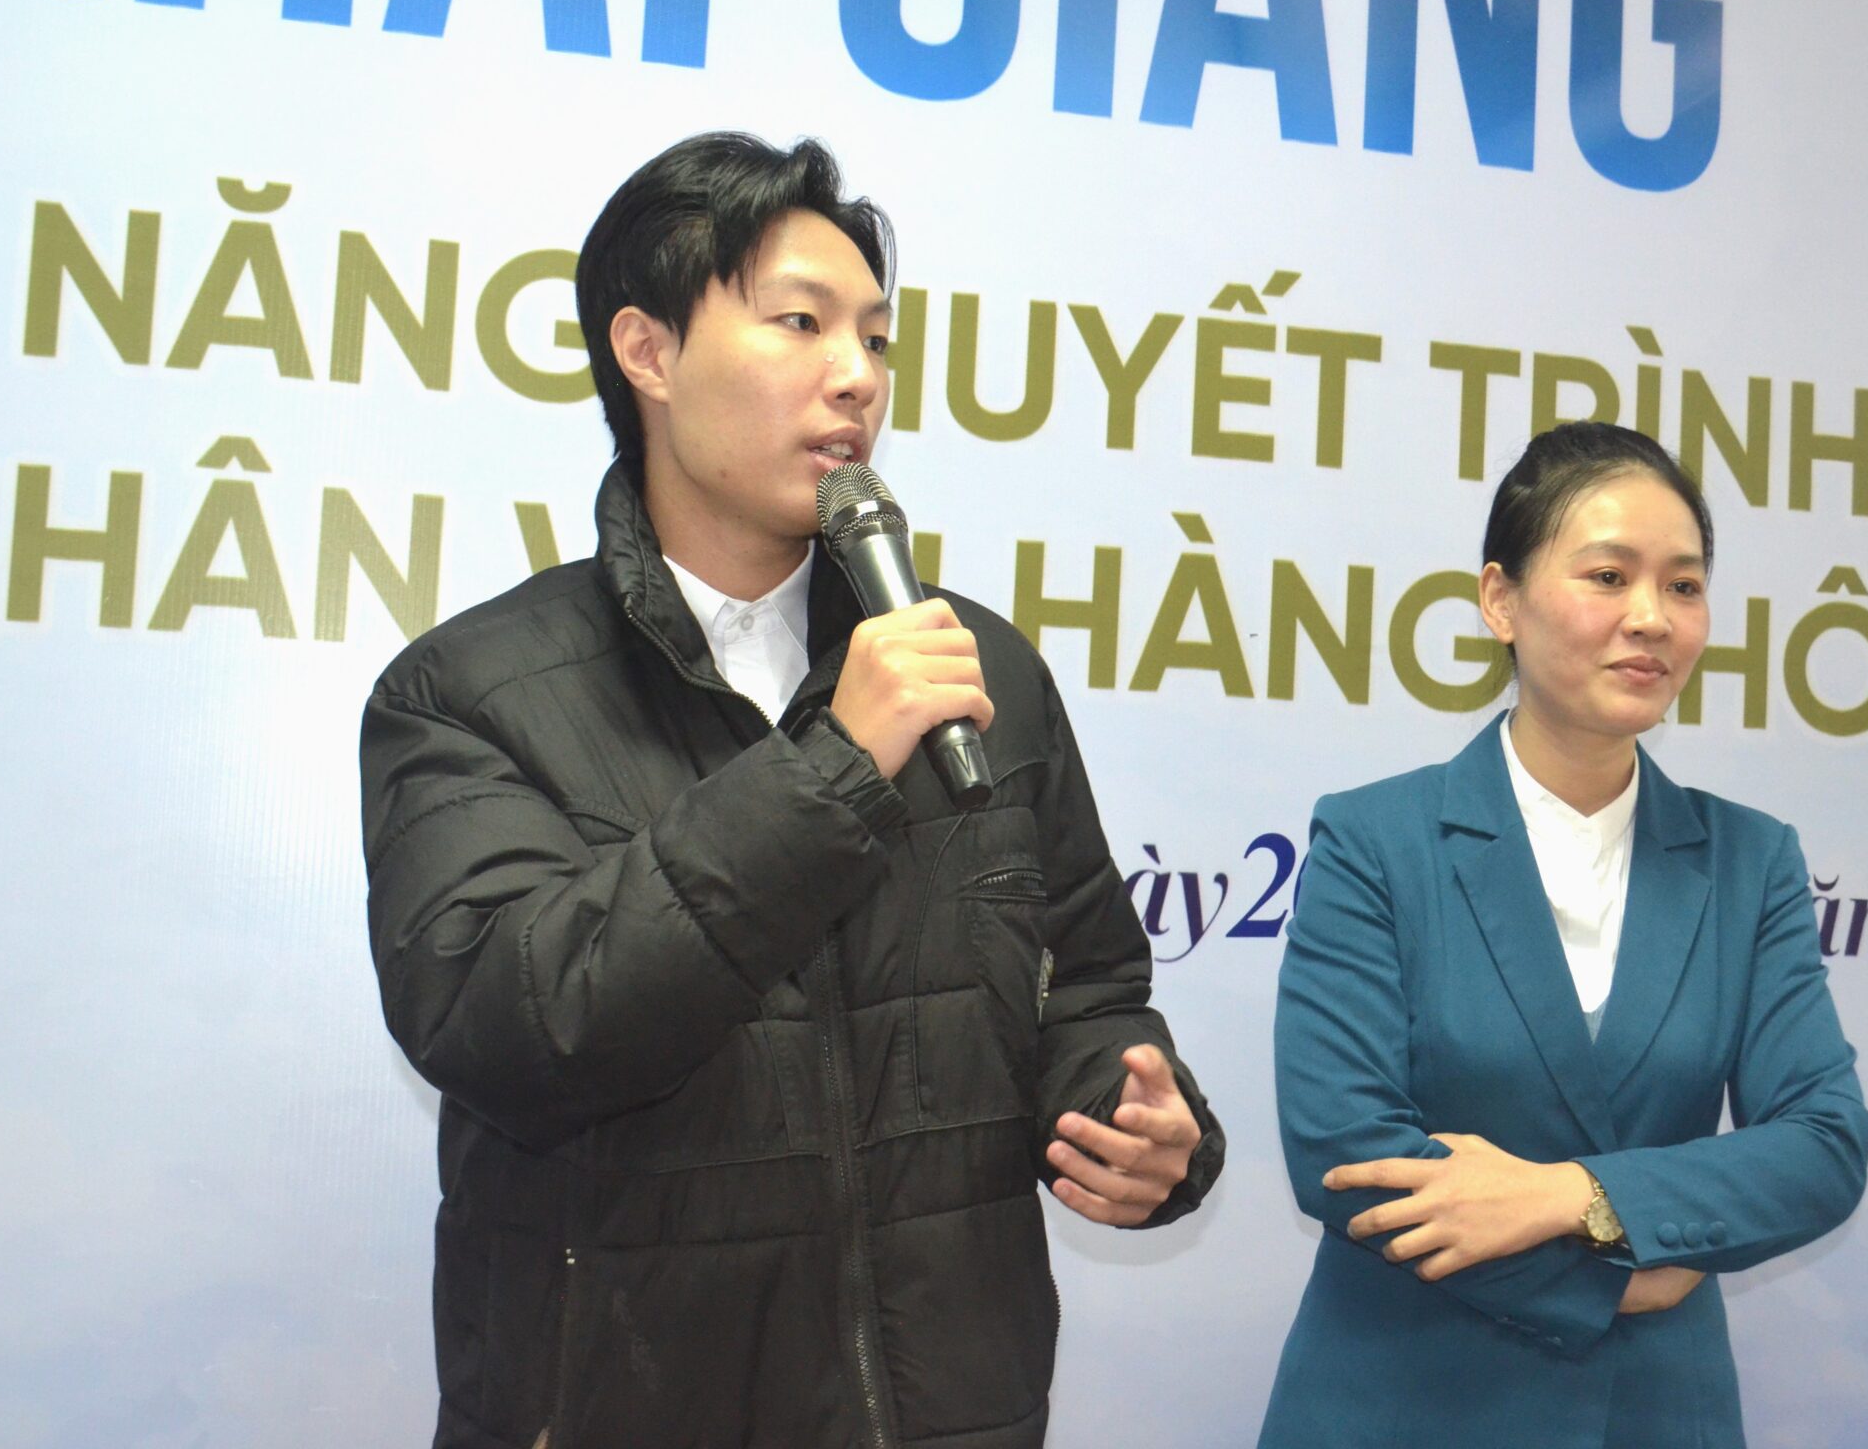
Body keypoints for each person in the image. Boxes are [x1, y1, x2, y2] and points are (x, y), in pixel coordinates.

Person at [360, 132, 1223, 1449]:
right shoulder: (472, 692)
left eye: (875, 338)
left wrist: (1137, 1119)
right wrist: (836, 767)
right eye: (801, 323)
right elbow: (513, 1030)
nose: (855, 377)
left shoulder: (977, 667)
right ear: (647, 352)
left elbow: (1087, 986)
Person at [1258, 421, 1868, 1448]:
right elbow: (1345, 1148)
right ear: (1499, 600)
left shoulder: (1749, 860)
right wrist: (1614, 1280)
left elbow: (1822, 1144)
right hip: (1403, 1404)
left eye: (1683, 585)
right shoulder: (1376, 839)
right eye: (1608, 576)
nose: (1651, 617)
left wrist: (1575, 1197)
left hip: (1653, 1415)